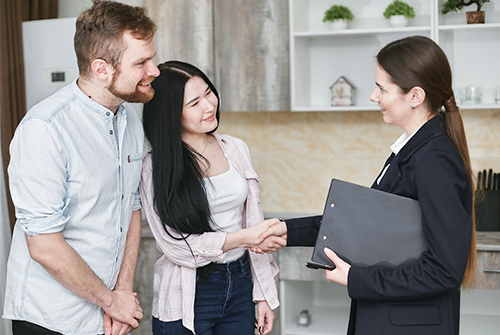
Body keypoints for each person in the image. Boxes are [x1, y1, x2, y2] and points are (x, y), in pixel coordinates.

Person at [255, 35, 476, 335]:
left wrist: (358, 278)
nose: (373, 96)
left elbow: (444, 271)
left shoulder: (434, 160)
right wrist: (287, 230)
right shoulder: (411, 151)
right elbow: (364, 225)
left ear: (415, 96)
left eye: (382, 88)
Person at [2, 1, 160, 335]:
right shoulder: (45, 128)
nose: (154, 70)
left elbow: (130, 206)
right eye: (142, 62)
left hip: (105, 312)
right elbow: (44, 245)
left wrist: (121, 292)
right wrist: (111, 301)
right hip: (51, 318)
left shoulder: (130, 119)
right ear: (102, 69)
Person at [140, 60, 283, 335]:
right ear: (170, 114)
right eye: (194, 103)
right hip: (188, 291)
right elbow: (175, 247)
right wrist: (243, 237)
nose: (209, 105)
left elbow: (253, 220)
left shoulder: (235, 148)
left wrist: (264, 293)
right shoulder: (154, 168)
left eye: (208, 93)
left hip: (240, 283)